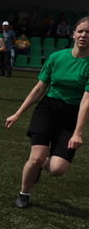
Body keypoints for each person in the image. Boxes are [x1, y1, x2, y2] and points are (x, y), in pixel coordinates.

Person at [5, 16, 89, 209]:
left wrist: (78, 132)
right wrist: (17, 113)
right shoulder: (57, 57)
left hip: (71, 116)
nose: (84, 35)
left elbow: (86, 100)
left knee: (58, 169)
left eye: (88, 32)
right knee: (36, 157)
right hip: (48, 109)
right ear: (73, 34)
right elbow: (39, 88)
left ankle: (40, 166)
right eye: (81, 31)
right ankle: (24, 195)